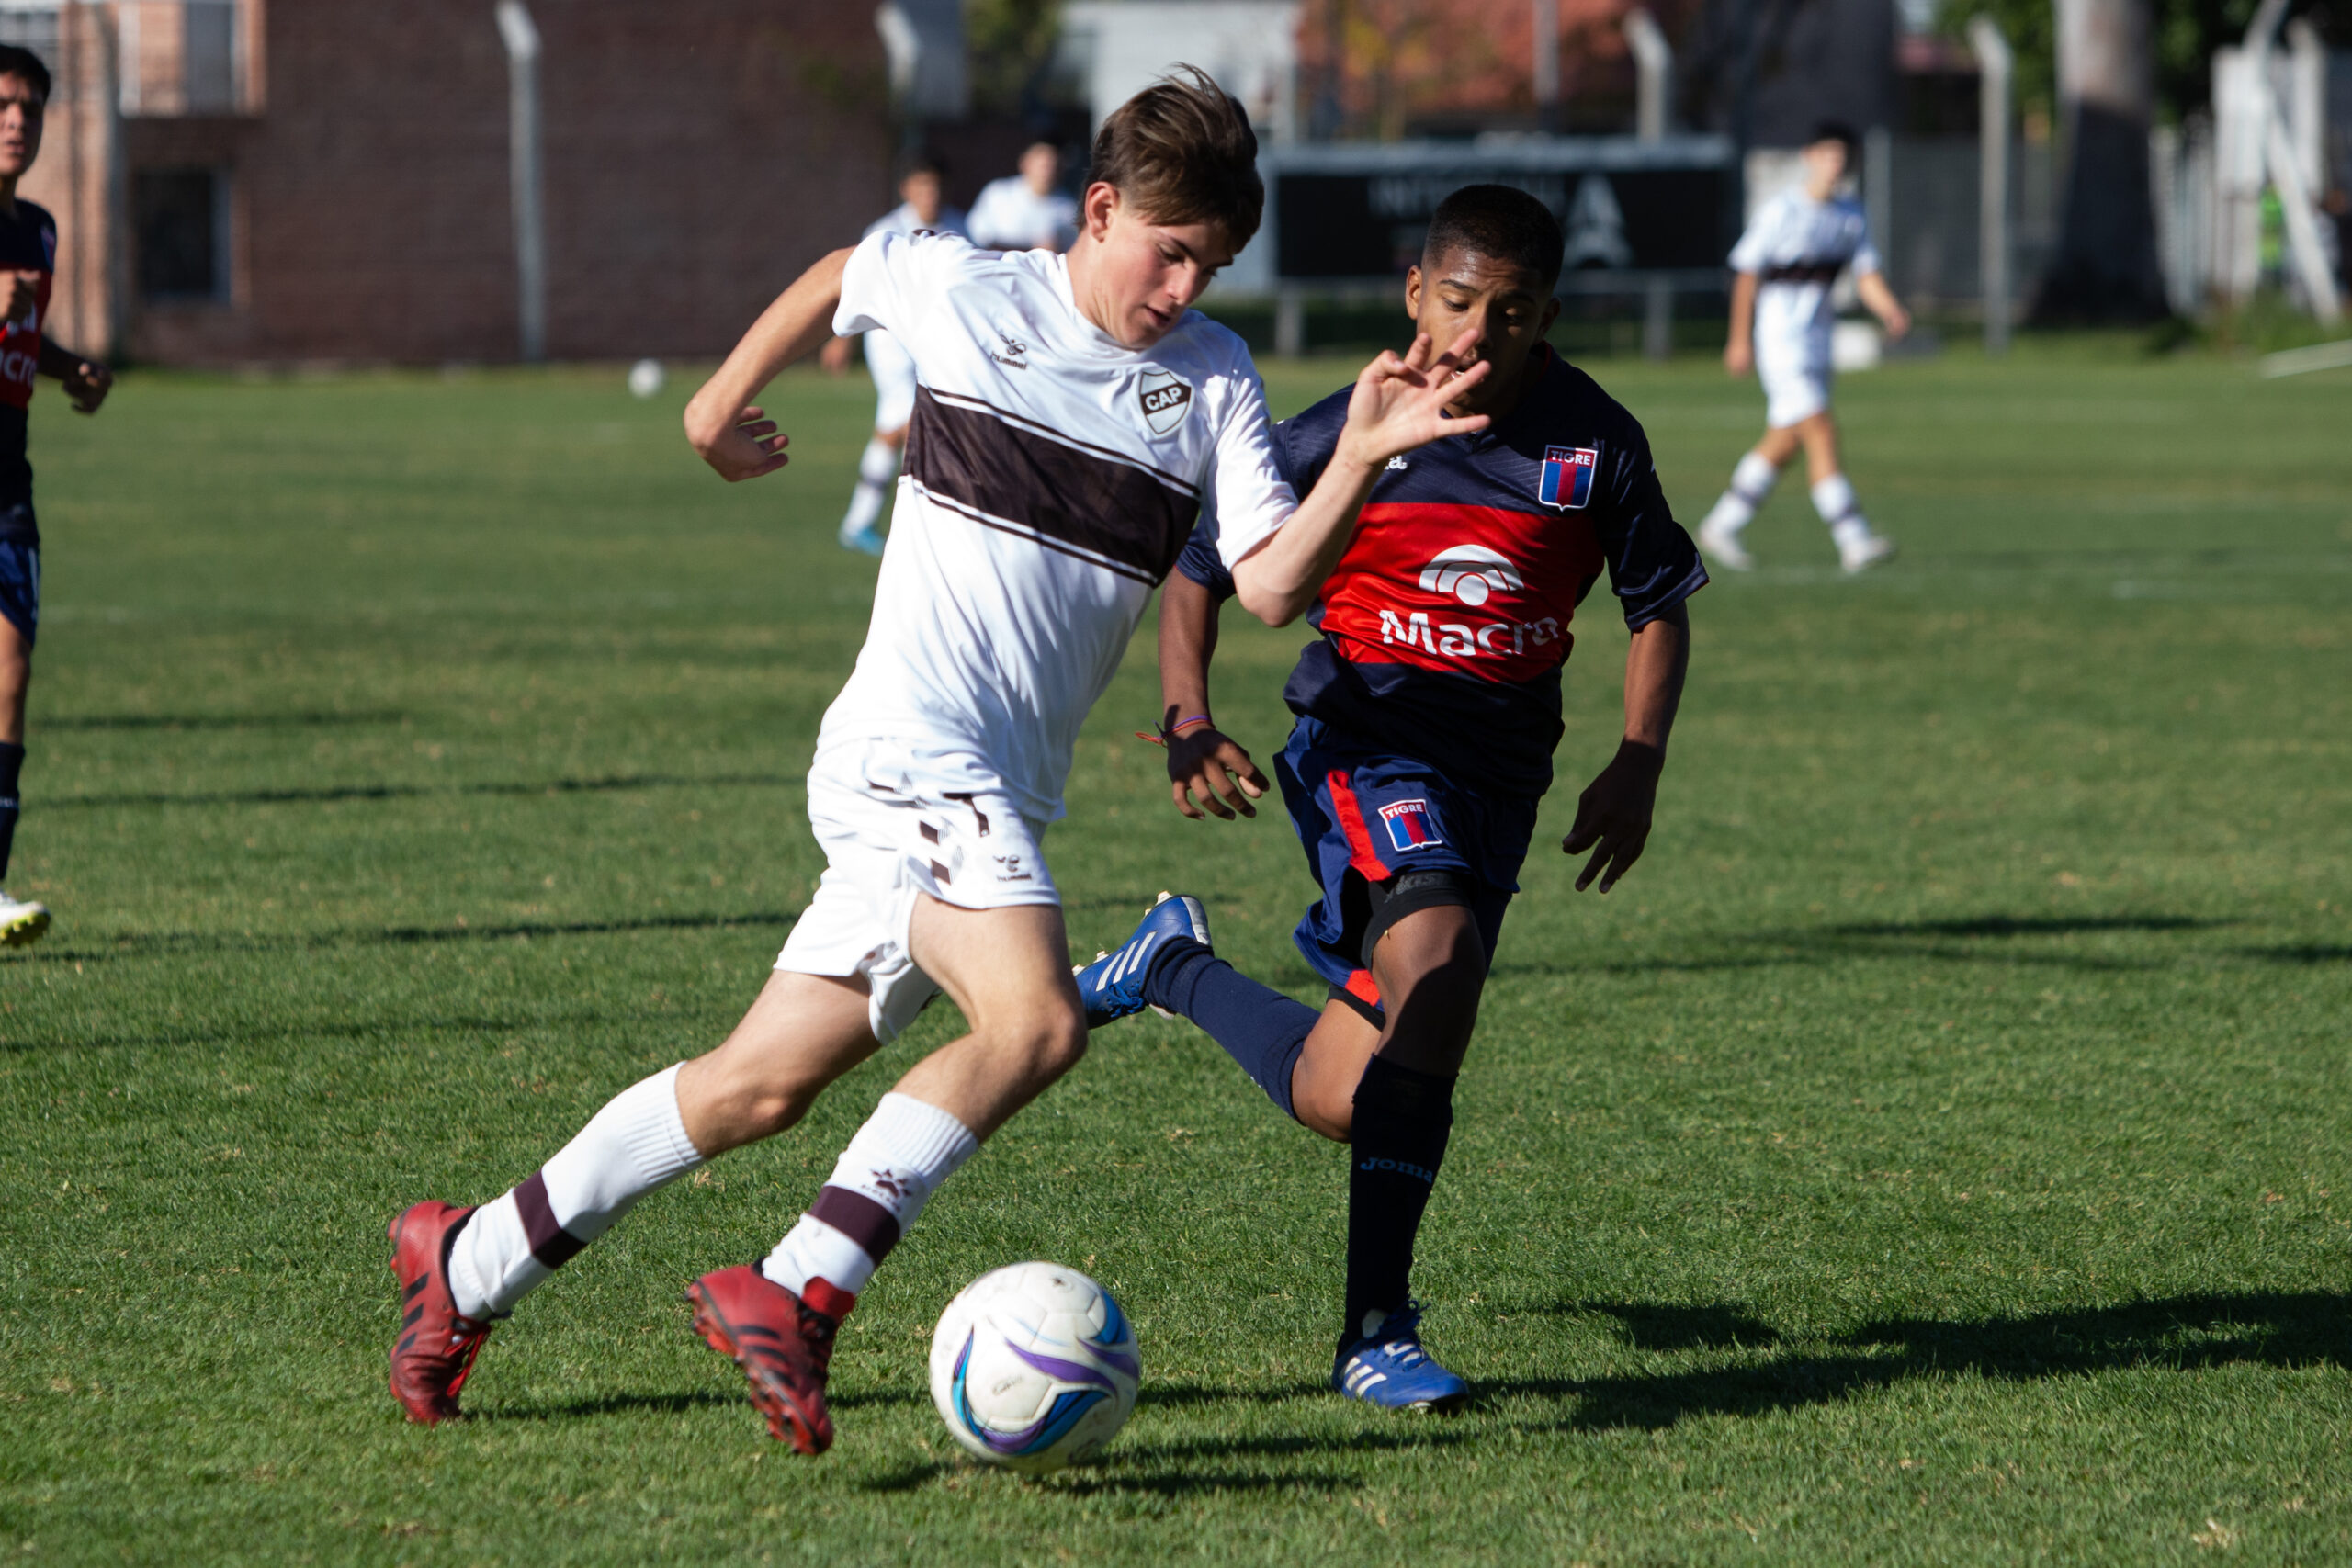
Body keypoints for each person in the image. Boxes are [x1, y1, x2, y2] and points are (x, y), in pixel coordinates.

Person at [385, 68, 1499, 1454]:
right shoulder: (972, 289)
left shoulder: (1211, 374)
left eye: (1209, 262)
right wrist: (712, 406)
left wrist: (1365, 456)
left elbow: (1270, 584)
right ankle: (797, 1288)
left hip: (989, 791)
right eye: (1168, 250)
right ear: (1098, 211)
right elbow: (850, 268)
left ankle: (468, 1260)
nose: (1182, 283)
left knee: (754, 1083)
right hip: (910, 754)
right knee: (1032, 1021)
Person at [1074, 185, 1703, 1411]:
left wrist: (1639, 757)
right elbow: (1205, 561)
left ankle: (1169, 966)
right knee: (1444, 958)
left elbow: (1658, 600)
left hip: (1500, 782)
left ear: (1547, 320)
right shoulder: (1350, 430)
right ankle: (1375, 1328)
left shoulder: (1594, 443)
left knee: (1344, 1091)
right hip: (1366, 751)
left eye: (1508, 314)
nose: (1476, 334)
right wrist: (1187, 716)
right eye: (1458, 302)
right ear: (1416, 295)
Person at [0, 43, 112, 950]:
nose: (17, 122)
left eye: (31, 108)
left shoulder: (38, 228)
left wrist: (69, 364)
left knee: (9, 684)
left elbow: (22, 339)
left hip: (7, 483)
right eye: (2, 105)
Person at [1695, 120, 1908, 575]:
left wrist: (1890, 310)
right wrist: (1738, 340)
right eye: (1828, 155)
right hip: (1780, 341)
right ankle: (1854, 539)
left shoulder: (1850, 213)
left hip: (1817, 341)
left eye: (1843, 157)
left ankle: (1721, 525)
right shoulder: (1782, 212)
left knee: (1786, 439)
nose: (1836, 165)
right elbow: (1746, 273)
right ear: (1809, 157)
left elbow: (1866, 273)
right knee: (1820, 430)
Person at [819, 155, 967, 557]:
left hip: (933, 344)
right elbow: (850, 285)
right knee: (915, 425)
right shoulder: (884, 231)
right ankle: (927, 529)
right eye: (921, 187)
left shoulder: (960, 226)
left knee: (890, 430)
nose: (929, 195)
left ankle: (859, 523)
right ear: (906, 190)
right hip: (890, 346)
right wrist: (841, 337)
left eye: (935, 187)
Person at [967, 141, 1079, 254]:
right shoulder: (997, 193)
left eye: (1053, 166)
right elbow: (977, 235)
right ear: (1025, 163)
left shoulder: (1069, 208)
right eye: (1043, 166)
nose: (1047, 172)